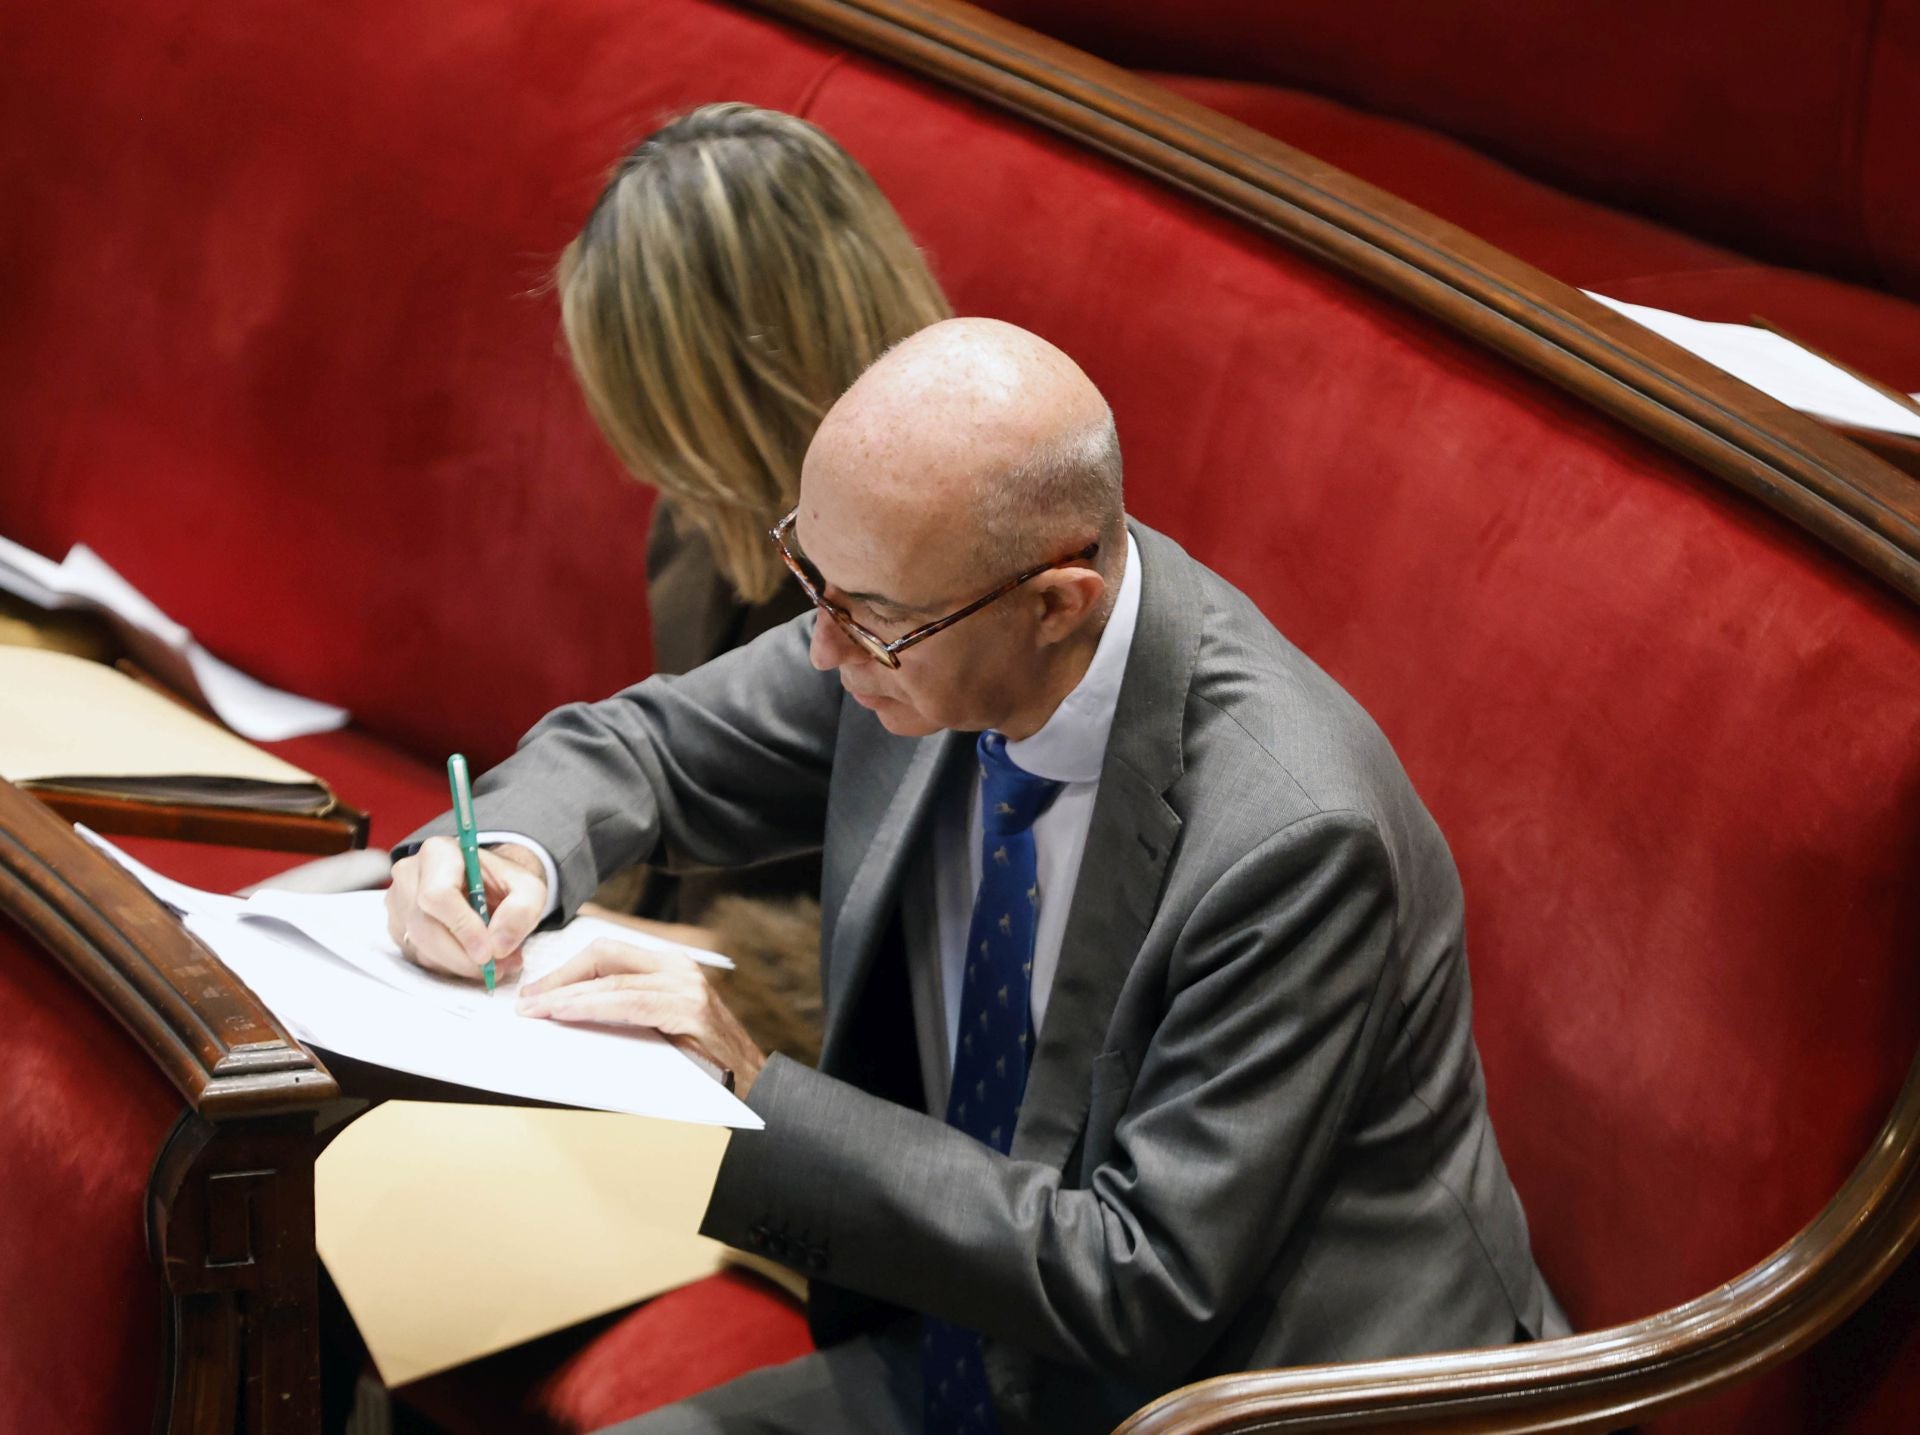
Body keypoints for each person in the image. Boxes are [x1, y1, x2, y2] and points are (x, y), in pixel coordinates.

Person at [387, 318, 1567, 1434]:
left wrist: (755, 1077)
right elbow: (644, 748)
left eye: (868, 620)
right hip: (979, 1346)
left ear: (1059, 604)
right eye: (812, 579)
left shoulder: (1293, 839)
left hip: (1242, 1391)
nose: (822, 648)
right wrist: (501, 848)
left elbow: (1142, 1282)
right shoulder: (916, 616)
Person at [556, 103, 952, 1061]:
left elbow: (909, 987)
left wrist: (590, 948)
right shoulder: (705, 529)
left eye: (662, 416)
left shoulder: (952, 590)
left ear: (737, 390)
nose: (648, 469)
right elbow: (668, 768)